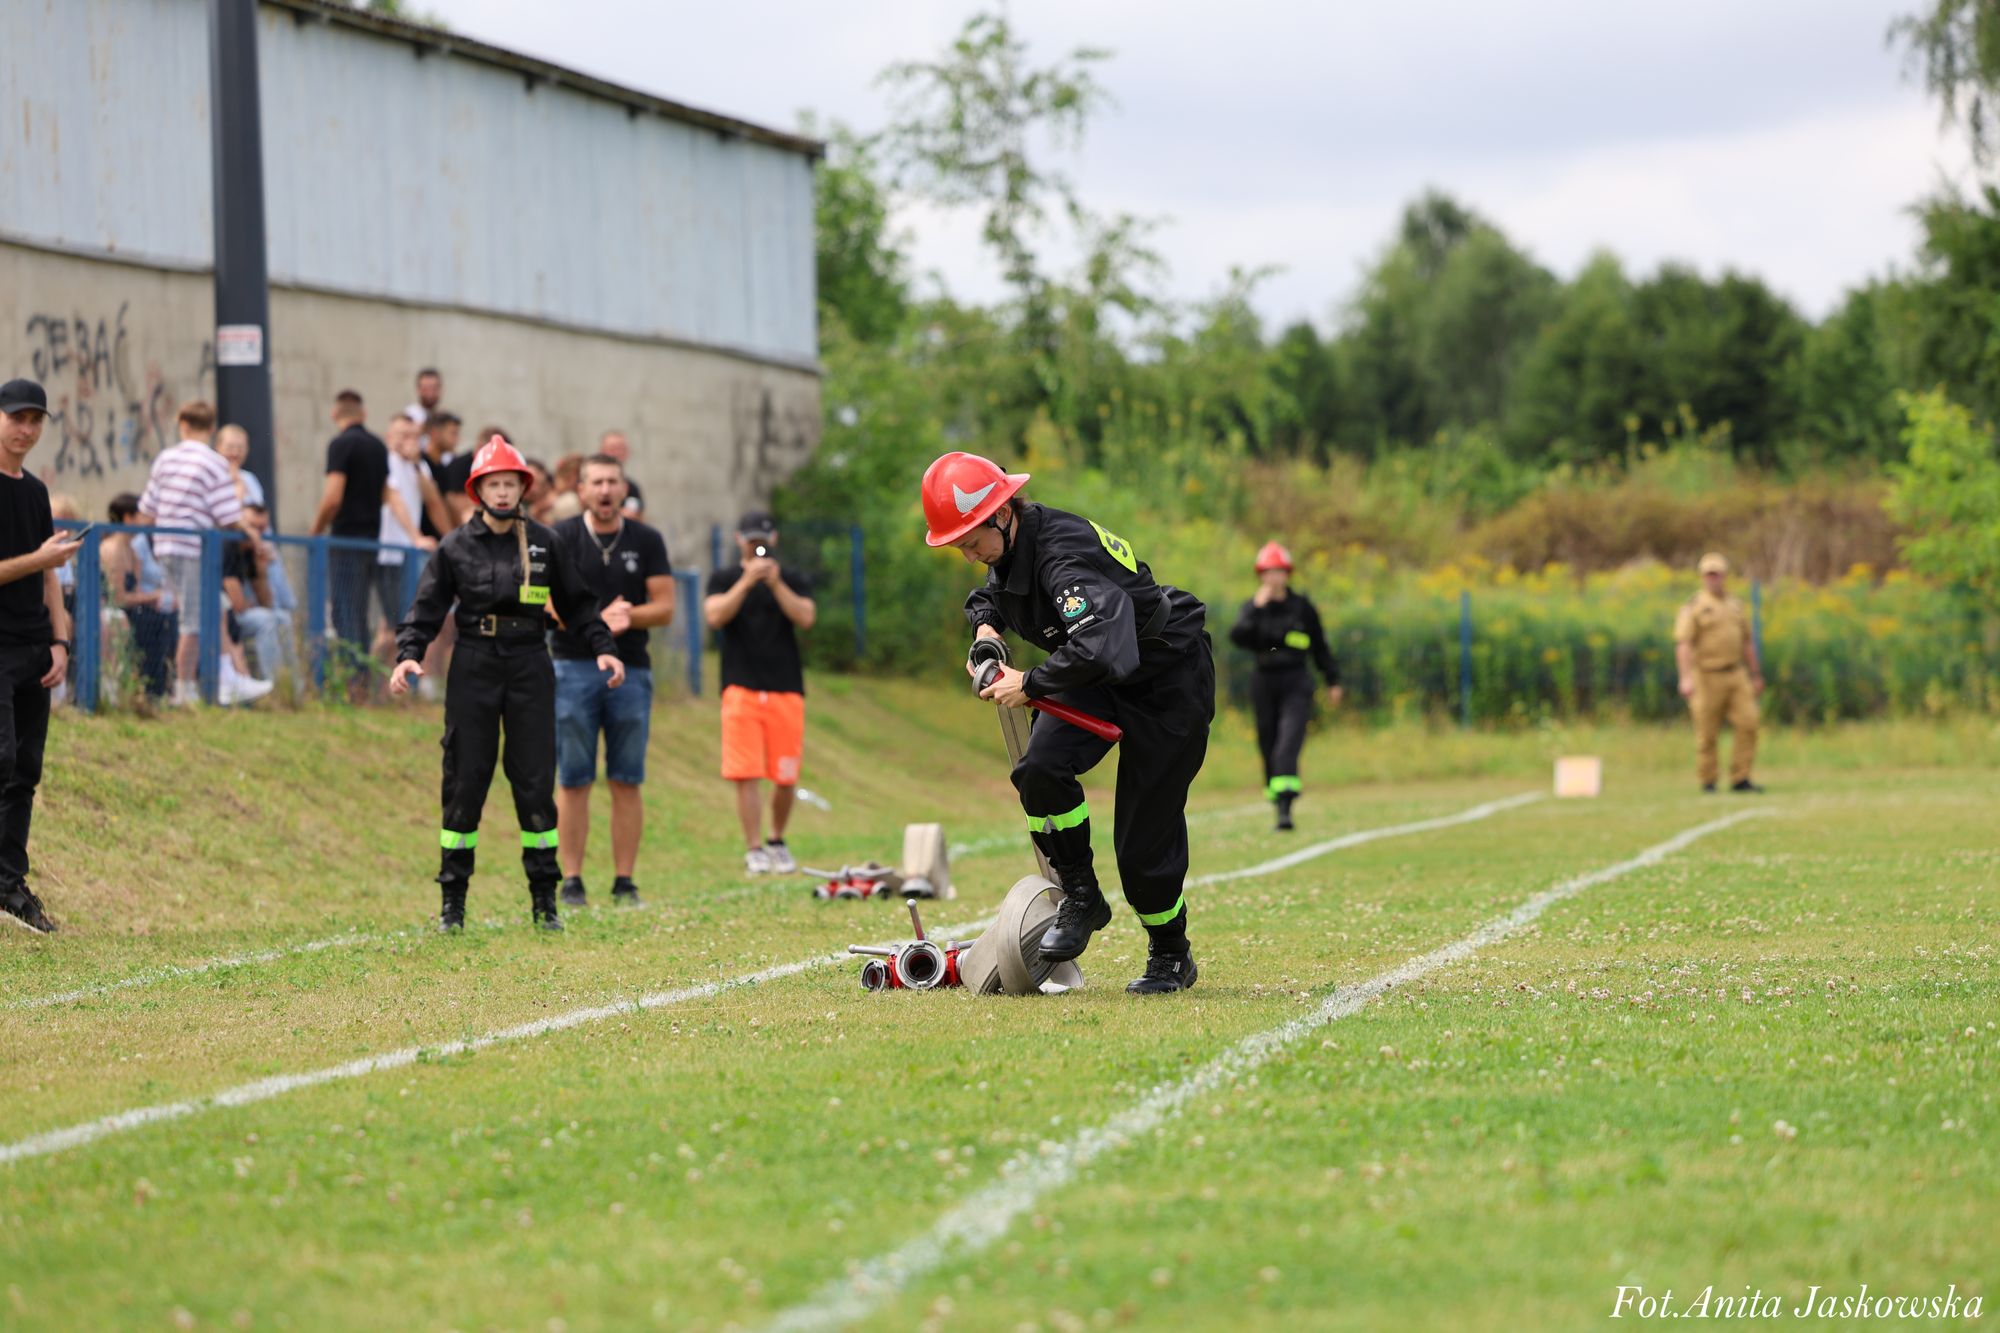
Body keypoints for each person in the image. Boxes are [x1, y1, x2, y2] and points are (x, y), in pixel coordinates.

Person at [924, 451, 1213, 995]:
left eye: (972, 541)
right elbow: (988, 595)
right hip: (1098, 669)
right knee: (1041, 770)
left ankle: (1172, 952)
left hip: (1164, 677)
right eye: (959, 547)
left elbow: (1105, 647)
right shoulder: (1011, 547)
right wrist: (986, 635)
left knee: (1142, 841)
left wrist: (1027, 684)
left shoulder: (1061, 557)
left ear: (1004, 513)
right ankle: (1081, 896)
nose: (970, 556)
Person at [391, 436, 625, 932]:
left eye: (510, 484)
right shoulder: (455, 547)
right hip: (473, 665)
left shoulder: (545, 542)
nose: (502, 493)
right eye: (493, 484)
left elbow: (580, 604)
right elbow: (426, 609)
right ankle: (453, 903)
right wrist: (408, 656)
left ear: (523, 487)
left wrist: (604, 646)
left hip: (529, 664)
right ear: (478, 491)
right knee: (464, 781)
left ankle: (545, 903)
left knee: (536, 783)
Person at [550, 454, 675, 908]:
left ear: (624, 489)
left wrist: (628, 616)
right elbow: (546, 607)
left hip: (632, 670)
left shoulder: (646, 539)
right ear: (580, 490)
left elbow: (665, 607)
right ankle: (572, 880)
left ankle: (625, 881)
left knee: (626, 778)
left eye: (612, 482)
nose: (604, 490)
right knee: (574, 777)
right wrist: (590, 621)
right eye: (596, 482)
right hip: (572, 668)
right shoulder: (560, 537)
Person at [0, 379, 77, 933]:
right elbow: (29, 563)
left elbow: (50, 574)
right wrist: (40, 557)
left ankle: (8, 884)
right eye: (16, 418)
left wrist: (60, 640)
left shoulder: (37, 491)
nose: (26, 429)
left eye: (35, 420)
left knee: (24, 772)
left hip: (35, 648)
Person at [703, 510, 815, 875]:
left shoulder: (791, 578)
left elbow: (806, 618)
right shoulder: (724, 578)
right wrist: (747, 582)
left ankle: (777, 840)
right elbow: (715, 616)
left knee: (785, 774)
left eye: (763, 541)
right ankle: (754, 848)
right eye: (752, 541)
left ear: (774, 539)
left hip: (785, 687)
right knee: (745, 773)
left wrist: (775, 584)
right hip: (741, 686)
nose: (758, 548)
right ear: (740, 540)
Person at [137, 400, 246, 706]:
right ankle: (184, 688)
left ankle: (216, 678)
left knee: (185, 612)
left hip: (163, 546)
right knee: (193, 621)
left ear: (181, 424)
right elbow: (228, 515)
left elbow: (147, 509)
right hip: (192, 549)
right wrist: (249, 532)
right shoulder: (214, 463)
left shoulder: (164, 459)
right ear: (212, 428)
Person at [1229, 541, 1342, 831]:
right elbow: (1237, 636)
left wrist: (1332, 680)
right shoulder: (1254, 608)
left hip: (1296, 682)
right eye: (1268, 572)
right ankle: (1276, 797)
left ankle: (1285, 810)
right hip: (1264, 682)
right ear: (1261, 576)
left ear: (1287, 574)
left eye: (1279, 572)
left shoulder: (1302, 608)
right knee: (1267, 743)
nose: (1274, 578)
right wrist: (1256, 607)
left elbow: (1320, 646)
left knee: (1286, 744)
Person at [309, 390, 414, 690]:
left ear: (334, 415)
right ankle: (363, 678)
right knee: (361, 612)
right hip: (372, 544)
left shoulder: (341, 444)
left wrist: (316, 531)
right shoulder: (377, 446)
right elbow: (384, 493)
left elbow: (332, 498)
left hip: (345, 542)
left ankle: (350, 682)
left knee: (345, 613)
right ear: (363, 414)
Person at [1675, 552, 1764, 793]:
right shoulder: (1694, 607)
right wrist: (1685, 678)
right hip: (1705, 675)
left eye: (1717, 575)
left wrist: (1755, 674)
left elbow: (1747, 642)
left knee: (1749, 722)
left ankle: (1741, 777)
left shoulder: (1735, 605)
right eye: (1709, 575)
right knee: (1707, 732)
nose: (1713, 580)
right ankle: (1708, 780)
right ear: (1703, 577)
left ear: (1725, 576)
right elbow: (1684, 644)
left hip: (1736, 673)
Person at [371, 414, 446, 665]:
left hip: (409, 555)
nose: (409, 441)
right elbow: (395, 502)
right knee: (392, 626)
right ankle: (367, 681)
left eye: (414, 436)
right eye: (403, 435)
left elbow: (433, 500)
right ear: (390, 437)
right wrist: (415, 536)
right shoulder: (385, 462)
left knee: (399, 623)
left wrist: (416, 463)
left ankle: (384, 686)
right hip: (390, 553)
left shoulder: (418, 466)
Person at [102, 493, 178, 700]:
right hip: (112, 612)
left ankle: (157, 689)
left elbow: (134, 593)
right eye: (140, 516)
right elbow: (117, 598)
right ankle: (150, 688)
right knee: (152, 621)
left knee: (165, 618)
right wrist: (154, 596)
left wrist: (154, 598)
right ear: (128, 518)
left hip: (132, 610)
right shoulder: (113, 549)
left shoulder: (132, 552)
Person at [214, 423, 265, 509]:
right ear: (217, 447)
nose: (235, 453)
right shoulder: (210, 476)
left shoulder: (250, 478)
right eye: (229, 447)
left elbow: (260, 515)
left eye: (240, 448)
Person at [599, 430, 644, 516]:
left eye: (621, 448)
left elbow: (638, 516)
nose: (617, 453)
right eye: (612, 449)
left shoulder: (633, 488)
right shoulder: (584, 480)